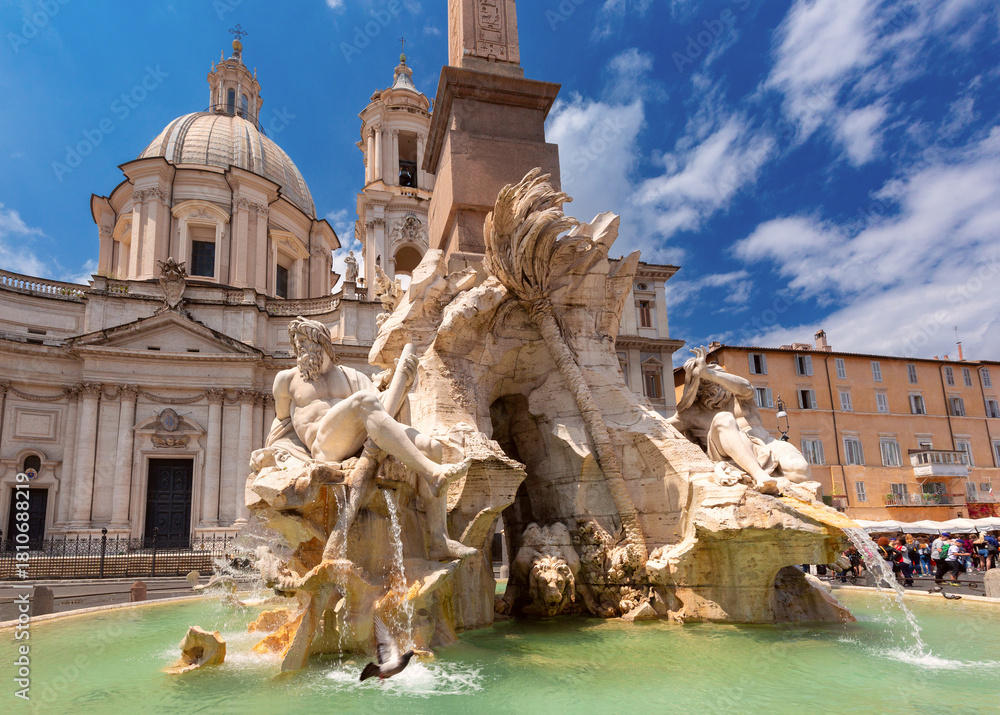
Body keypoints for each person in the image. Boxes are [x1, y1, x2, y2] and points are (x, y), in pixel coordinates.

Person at [668, 347, 813, 494]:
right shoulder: (691, 413)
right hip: (725, 455)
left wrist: (709, 373)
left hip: (764, 444)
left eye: (716, 380)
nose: (712, 386)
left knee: (800, 471)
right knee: (724, 418)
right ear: (696, 388)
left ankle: (769, 477)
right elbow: (660, 429)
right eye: (704, 382)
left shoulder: (738, 396)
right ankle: (759, 475)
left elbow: (747, 387)